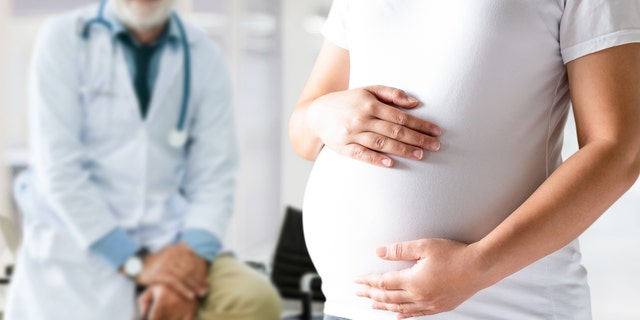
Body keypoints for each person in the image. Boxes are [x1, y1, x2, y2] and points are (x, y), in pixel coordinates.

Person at [289, 1, 640, 319]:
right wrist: (322, 114)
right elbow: (304, 135)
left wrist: (478, 266)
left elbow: (619, 150)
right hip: (350, 307)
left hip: (505, 307)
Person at [5, 0, 281, 319]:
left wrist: (188, 265)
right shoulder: (64, 38)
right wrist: (138, 264)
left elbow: (214, 176)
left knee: (252, 299)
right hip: (78, 246)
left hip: (170, 239)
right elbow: (60, 172)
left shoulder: (203, 54)